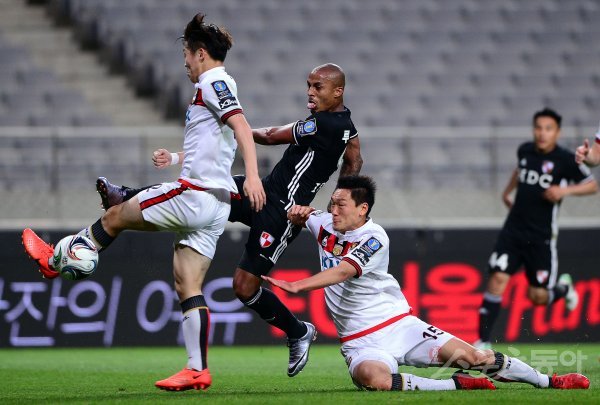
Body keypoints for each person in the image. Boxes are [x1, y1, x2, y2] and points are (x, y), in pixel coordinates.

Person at [22, 13, 266, 392]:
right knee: (187, 284)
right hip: (217, 204)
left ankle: (55, 260)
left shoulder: (213, 82)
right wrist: (177, 157)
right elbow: (217, 142)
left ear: (200, 53)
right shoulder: (221, 84)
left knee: (116, 215)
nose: (185, 63)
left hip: (195, 195)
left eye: (186, 54)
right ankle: (197, 369)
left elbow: (241, 128)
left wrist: (252, 176)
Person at [97, 63, 362, 377]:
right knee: (201, 187)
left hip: (282, 213)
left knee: (244, 287)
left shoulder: (322, 124)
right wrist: (339, 198)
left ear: (337, 91)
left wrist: (234, 127)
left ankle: (298, 331)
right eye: (309, 84)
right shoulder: (346, 125)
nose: (310, 92)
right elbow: (354, 157)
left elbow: (269, 136)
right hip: (262, 191)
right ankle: (125, 195)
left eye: (318, 87)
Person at [263, 175, 590, 391]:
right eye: (331, 204)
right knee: (372, 379)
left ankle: (549, 381)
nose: (333, 210)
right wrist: (297, 214)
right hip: (360, 341)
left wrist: (299, 285)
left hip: (399, 326)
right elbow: (300, 213)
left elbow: (344, 271)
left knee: (476, 358)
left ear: (363, 209)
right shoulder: (323, 222)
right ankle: (455, 386)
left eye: (340, 205)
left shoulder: (374, 238)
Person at [475, 108, 598, 350]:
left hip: (541, 237)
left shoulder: (565, 160)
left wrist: (564, 190)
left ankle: (563, 289)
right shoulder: (525, 150)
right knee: (497, 278)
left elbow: (592, 185)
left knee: (538, 296)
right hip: (513, 231)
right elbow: (519, 170)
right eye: (538, 128)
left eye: (548, 129)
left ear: (557, 132)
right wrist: (507, 191)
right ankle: (483, 342)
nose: (542, 133)